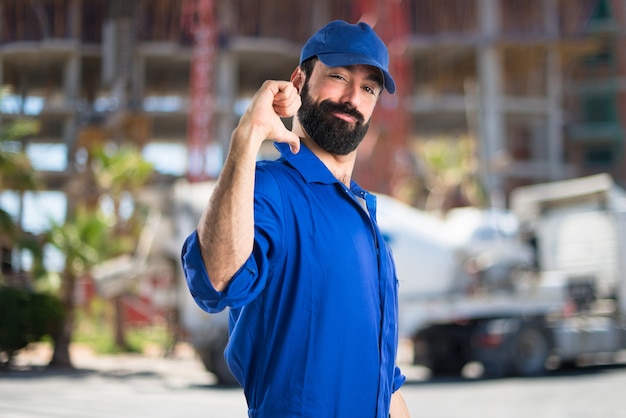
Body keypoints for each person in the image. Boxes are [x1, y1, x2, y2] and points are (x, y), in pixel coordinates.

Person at [181, 20, 411, 418]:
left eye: (369, 88)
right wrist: (247, 136)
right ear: (298, 80)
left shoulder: (366, 224)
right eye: (338, 76)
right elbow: (214, 281)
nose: (353, 97)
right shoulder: (269, 189)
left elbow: (382, 380)